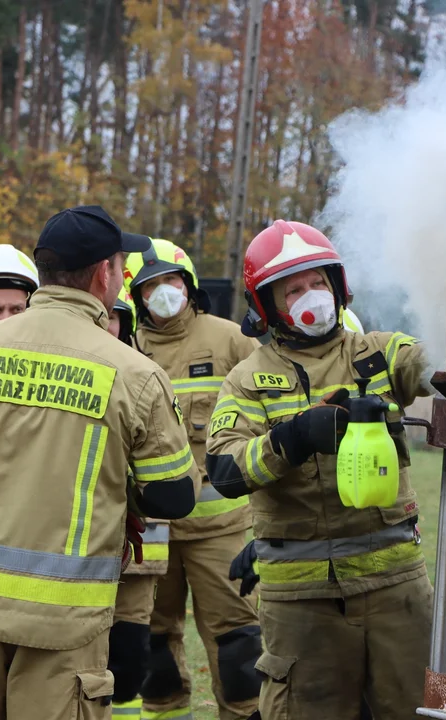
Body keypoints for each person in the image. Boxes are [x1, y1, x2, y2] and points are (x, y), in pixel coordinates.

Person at [0, 204, 199, 720]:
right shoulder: (135, 373)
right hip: (65, 622)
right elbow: (175, 496)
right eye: (121, 265)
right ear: (104, 275)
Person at [205, 219, 434, 720]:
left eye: (319, 283)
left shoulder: (379, 352)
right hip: (300, 601)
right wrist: (293, 438)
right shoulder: (247, 381)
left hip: (396, 589)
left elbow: (441, 366)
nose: (313, 297)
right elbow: (223, 467)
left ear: (338, 286)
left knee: (419, 710)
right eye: (294, 290)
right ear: (268, 306)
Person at [124, 238, 262, 720]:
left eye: (173, 281)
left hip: (220, 531)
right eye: (151, 286)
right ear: (134, 296)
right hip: (150, 532)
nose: (165, 292)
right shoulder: (124, 348)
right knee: (153, 648)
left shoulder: (230, 339)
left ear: (190, 285)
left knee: (239, 644)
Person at [106, 288, 173, 720]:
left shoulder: (145, 378)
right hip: (71, 552)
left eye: (113, 317)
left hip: (135, 553)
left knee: (128, 665)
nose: (104, 325)